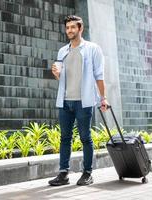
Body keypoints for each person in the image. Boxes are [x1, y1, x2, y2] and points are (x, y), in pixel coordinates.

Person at [48, 15, 109, 186]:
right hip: (65, 101)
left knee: (85, 137)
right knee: (65, 137)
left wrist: (103, 98)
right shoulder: (62, 51)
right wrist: (57, 74)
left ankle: (87, 173)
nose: (69, 30)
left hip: (84, 101)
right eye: (67, 27)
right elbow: (61, 76)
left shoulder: (92, 48)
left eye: (73, 27)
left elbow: (99, 75)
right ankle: (63, 174)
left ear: (80, 29)